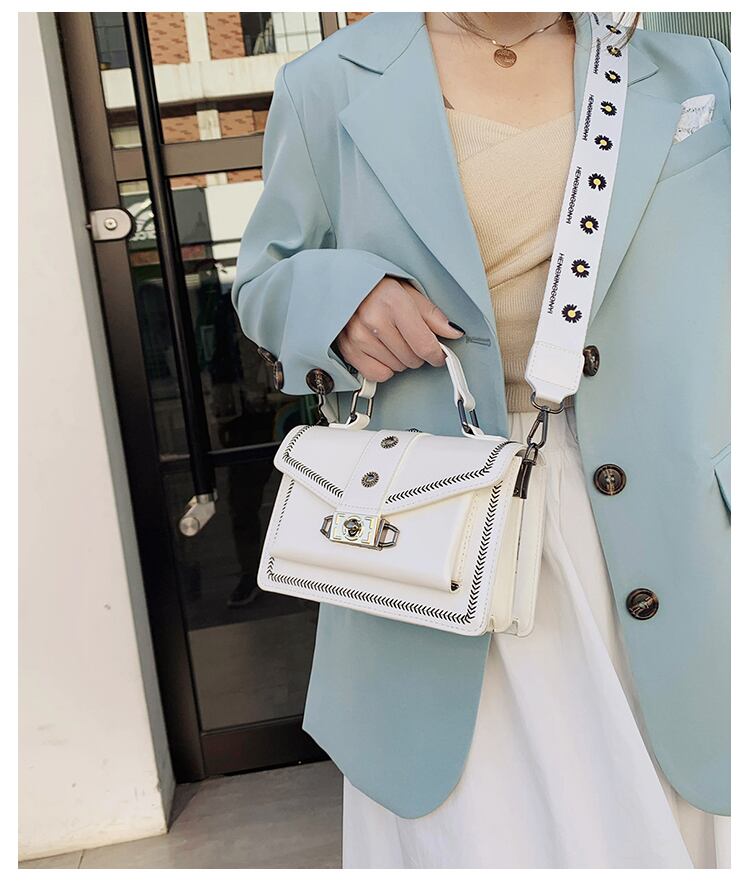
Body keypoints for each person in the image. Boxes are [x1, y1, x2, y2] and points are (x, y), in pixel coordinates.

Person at [231, 11, 730, 869]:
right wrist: (340, 300)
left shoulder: (701, 71)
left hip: (675, 530)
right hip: (439, 531)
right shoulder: (328, 82)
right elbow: (264, 281)